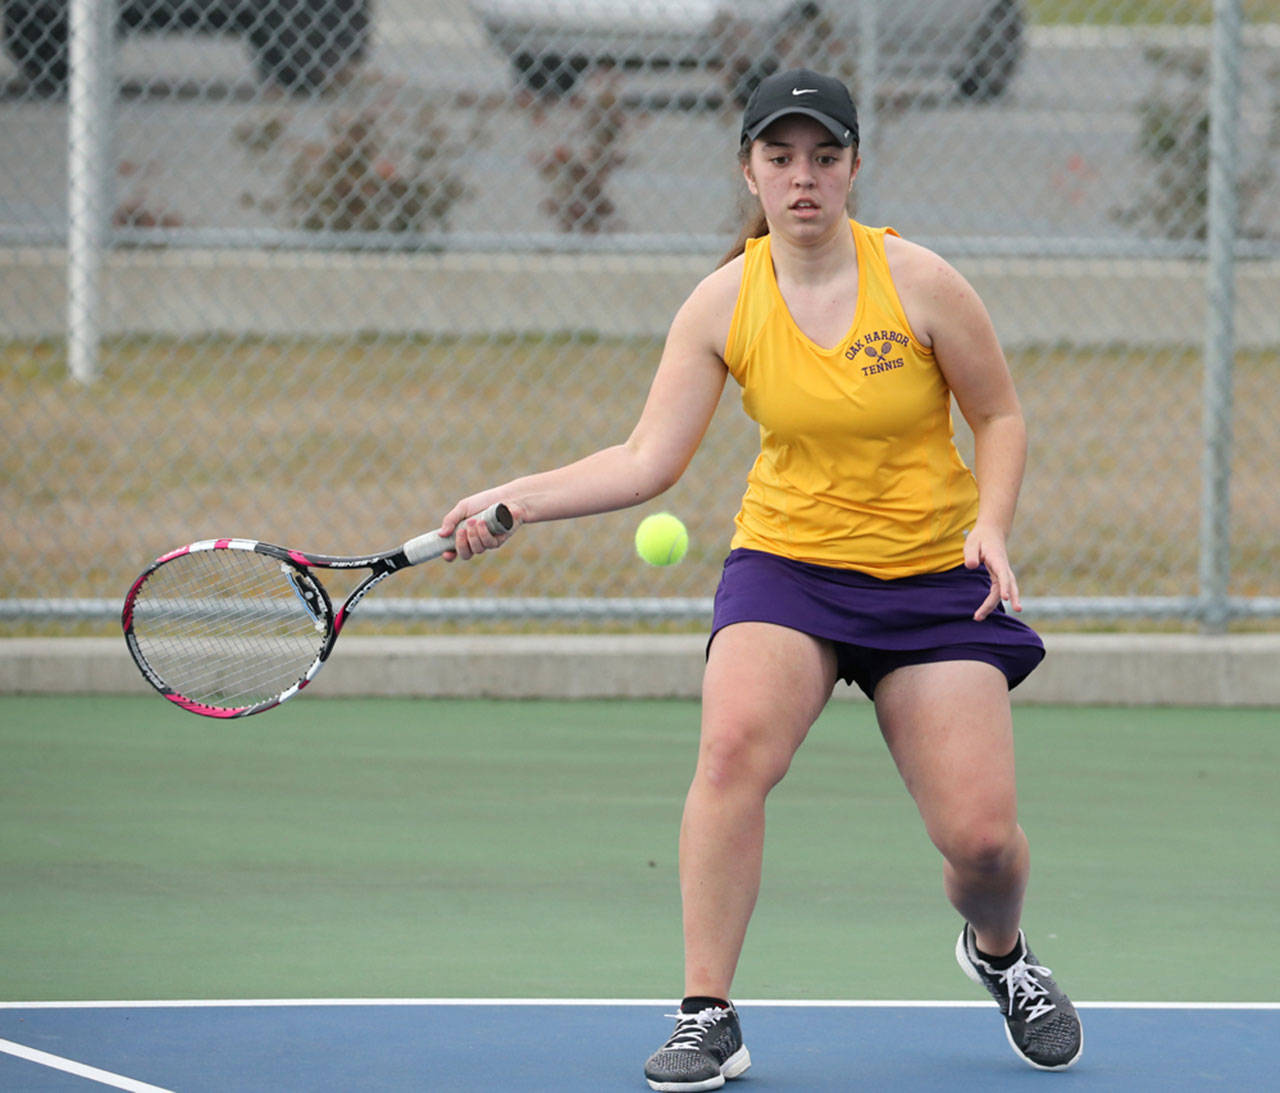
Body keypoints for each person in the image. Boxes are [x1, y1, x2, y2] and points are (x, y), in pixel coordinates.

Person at [440, 68, 1083, 1089]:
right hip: (787, 567)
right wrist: (512, 498)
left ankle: (998, 954)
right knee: (731, 748)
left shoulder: (918, 280)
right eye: (779, 158)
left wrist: (991, 527)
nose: (802, 179)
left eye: (823, 158)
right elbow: (647, 457)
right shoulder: (721, 301)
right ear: (747, 171)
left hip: (928, 575)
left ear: (853, 168)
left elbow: (998, 414)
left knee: (981, 843)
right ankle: (708, 1014)